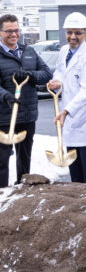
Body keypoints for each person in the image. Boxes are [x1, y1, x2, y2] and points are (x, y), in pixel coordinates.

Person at [48, 12, 86, 184]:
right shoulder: (64, 51)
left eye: (78, 33)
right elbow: (60, 70)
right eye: (69, 32)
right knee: (75, 170)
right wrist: (56, 80)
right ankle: (77, 203)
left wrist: (66, 110)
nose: (73, 37)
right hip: (69, 119)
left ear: (85, 34)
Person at [0, 14, 51, 188]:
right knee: (2, 158)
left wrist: (30, 75)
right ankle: (2, 194)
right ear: (0, 32)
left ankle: (21, 191)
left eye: (16, 30)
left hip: (27, 114)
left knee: (25, 157)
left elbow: (46, 73)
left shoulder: (29, 51)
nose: (13, 34)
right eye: (8, 31)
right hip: (4, 116)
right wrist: (6, 96)